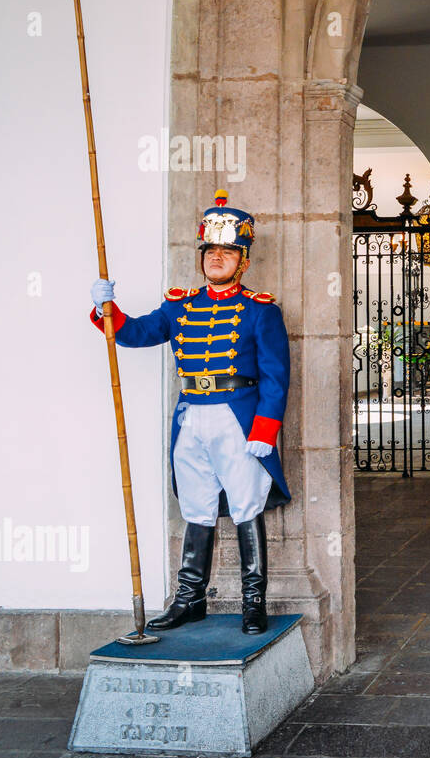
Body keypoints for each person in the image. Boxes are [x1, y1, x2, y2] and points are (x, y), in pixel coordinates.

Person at [89, 190, 290, 634]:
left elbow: (277, 375)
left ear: (243, 260)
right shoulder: (180, 305)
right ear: (202, 257)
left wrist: (265, 428)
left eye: (227, 251)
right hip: (191, 416)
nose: (216, 258)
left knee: (245, 504)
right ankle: (190, 599)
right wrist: (107, 308)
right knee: (197, 506)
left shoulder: (261, 311)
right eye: (210, 251)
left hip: (237, 418)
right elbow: (138, 333)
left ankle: (253, 602)